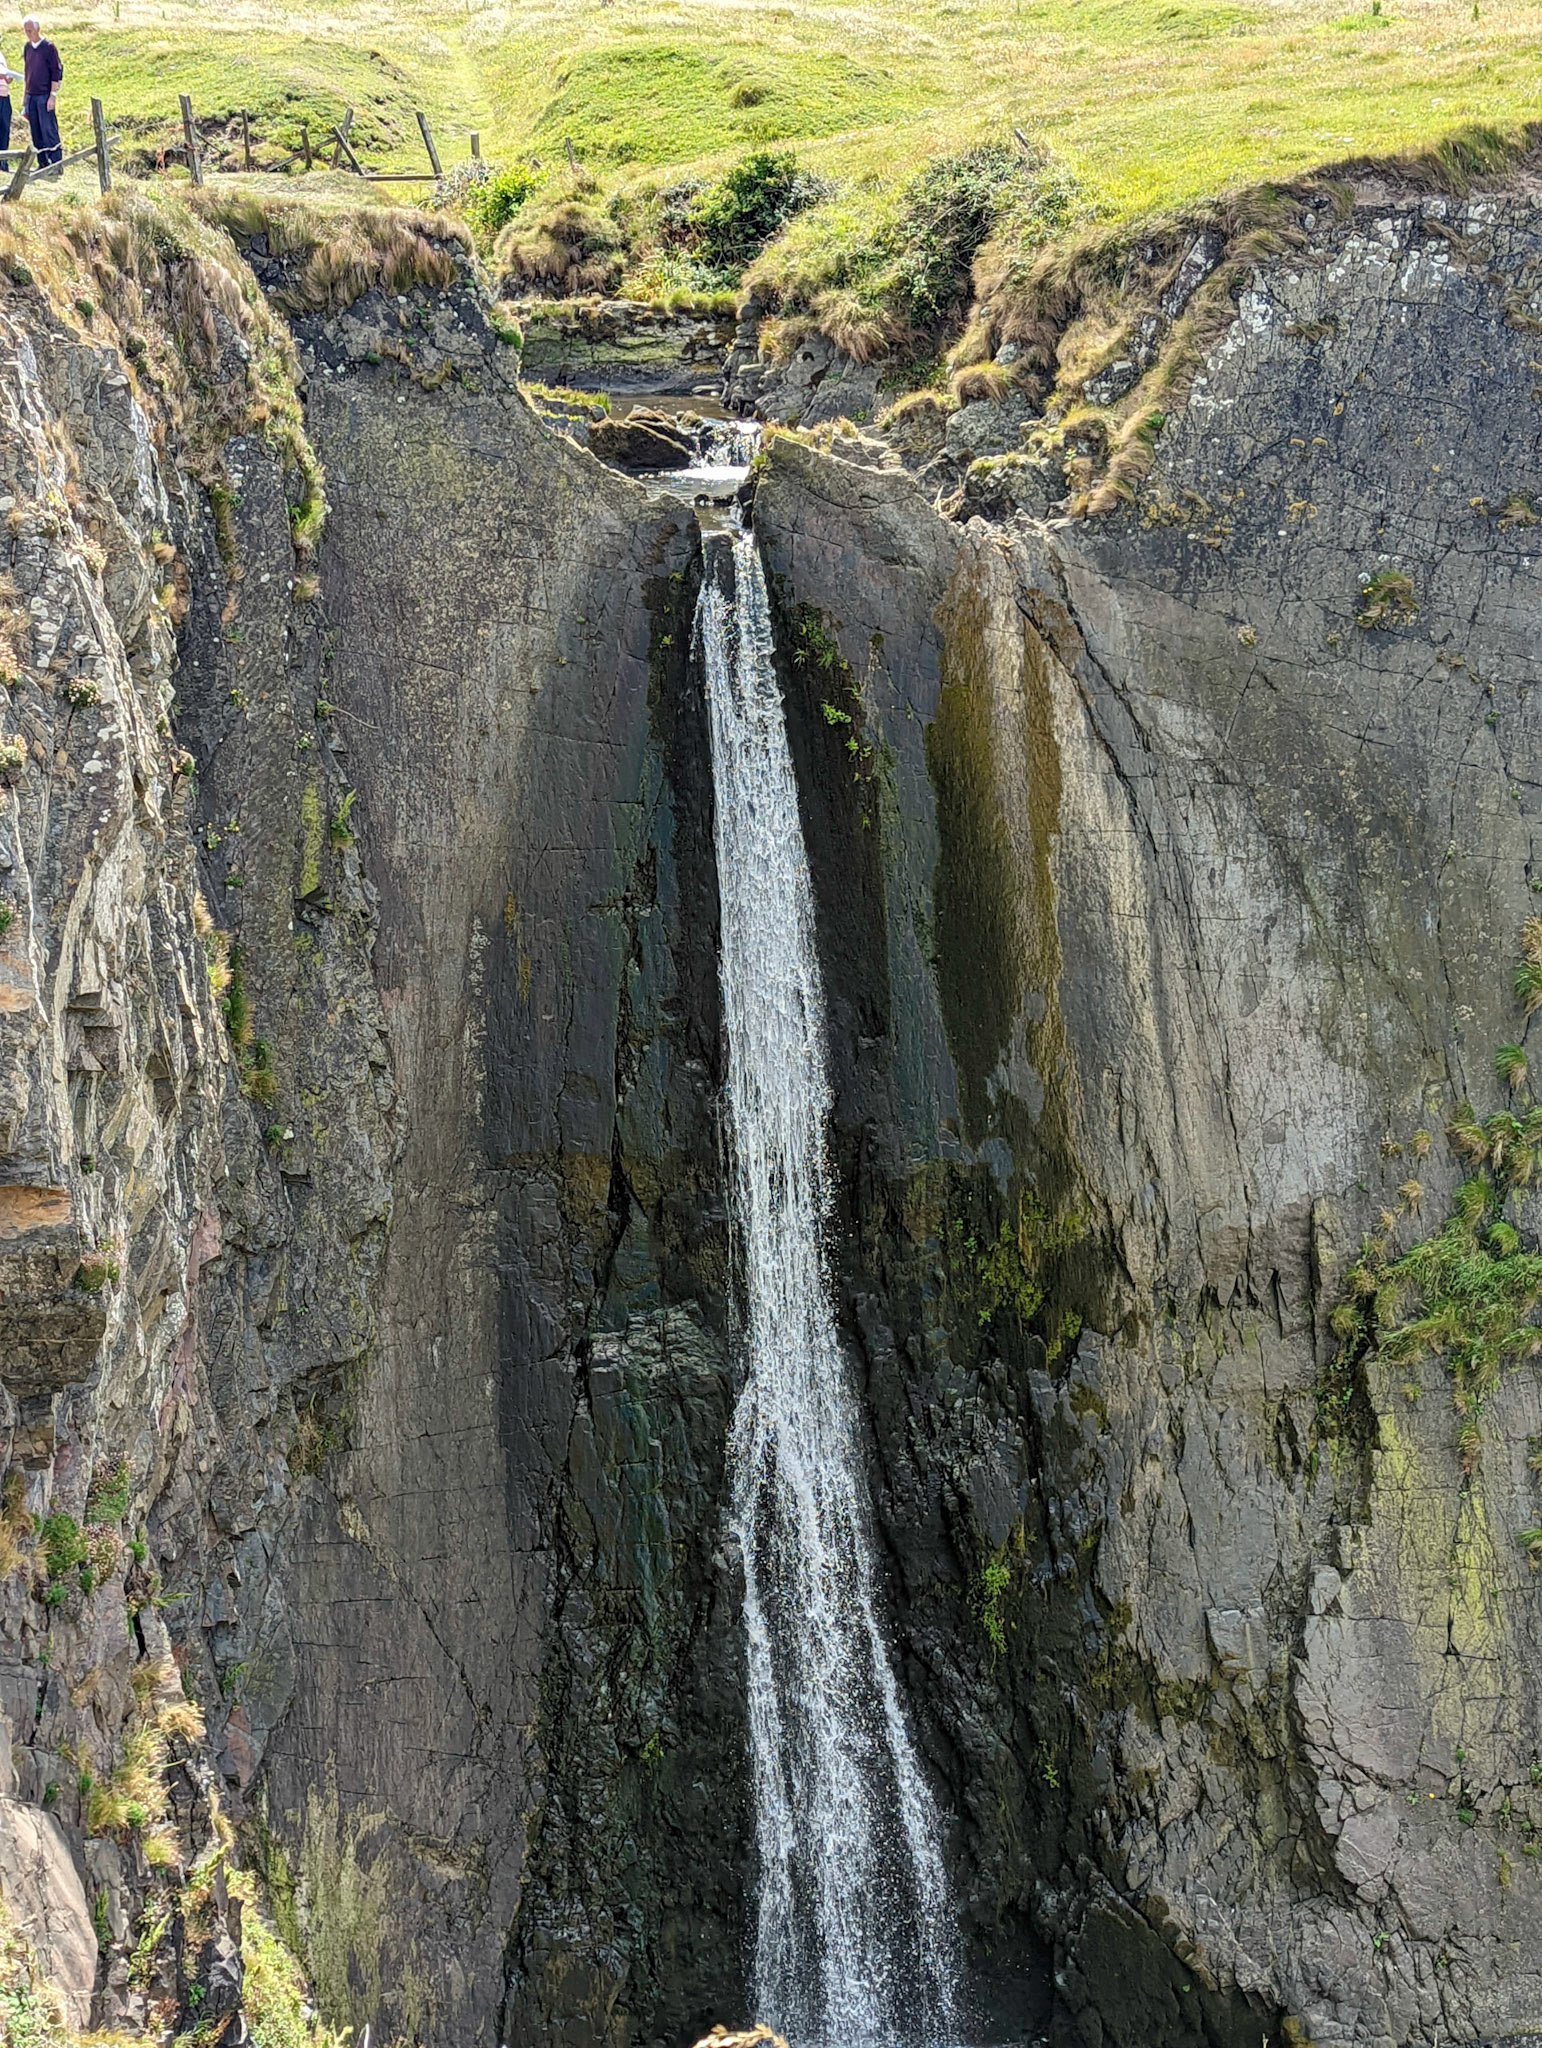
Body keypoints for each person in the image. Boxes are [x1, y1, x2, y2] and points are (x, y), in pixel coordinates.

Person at [21, 16, 61, 173]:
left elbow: (56, 72)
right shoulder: (27, 47)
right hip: (31, 94)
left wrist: (52, 95)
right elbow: (27, 71)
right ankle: (42, 162)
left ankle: (56, 163)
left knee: (48, 129)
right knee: (36, 130)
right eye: (26, 30)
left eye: (30, 30)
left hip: (44, 95)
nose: (28, 33)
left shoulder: (48, 47)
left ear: (37, 29)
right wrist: (25, 95)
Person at [0, 40, 19, 161]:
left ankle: (3, 163)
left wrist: (9, 77)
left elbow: (5, 78)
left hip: (4, 95)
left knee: (4, 129)